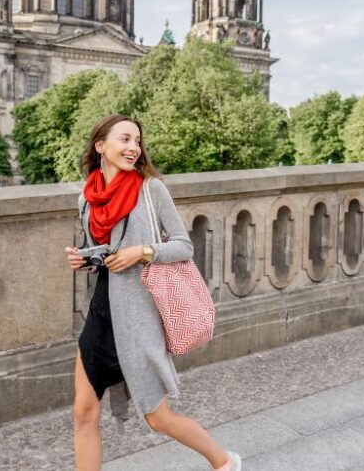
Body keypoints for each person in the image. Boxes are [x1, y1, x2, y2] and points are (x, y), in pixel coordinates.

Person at [64, 114, 240, 471]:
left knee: (158, 417)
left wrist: (143, 252)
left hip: (139, 319)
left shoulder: (150, 189)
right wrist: (86, 260)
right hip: (101, 316)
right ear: (101, 146)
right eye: (125, 139)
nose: (133, 148)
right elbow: (103, 251)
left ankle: (223, 462)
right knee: (84, 412)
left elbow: (183, 246)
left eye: (137, 141)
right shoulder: (87, 198)